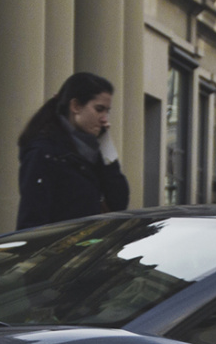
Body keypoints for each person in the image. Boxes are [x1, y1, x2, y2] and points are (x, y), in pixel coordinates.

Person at [16, 72, 130, 230]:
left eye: (107, 111)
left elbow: (119, 202)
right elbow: (32, 220)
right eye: (99, 109)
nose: (105, 119)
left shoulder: (92, 152)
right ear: (75, 106)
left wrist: (106, 143)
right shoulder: (45, 153)